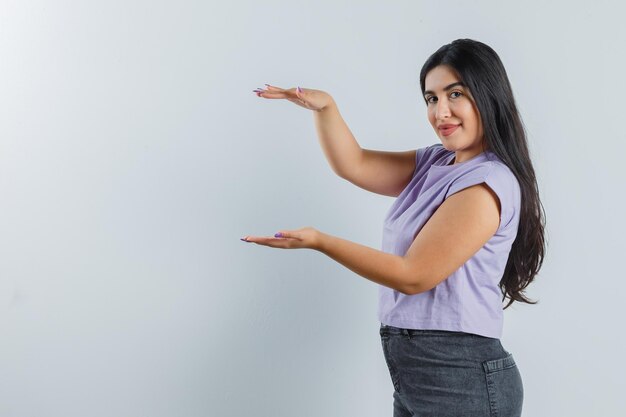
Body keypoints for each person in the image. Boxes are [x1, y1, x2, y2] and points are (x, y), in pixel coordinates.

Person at [243, 38, 545, 417]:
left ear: (488, 96)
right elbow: (353, 164)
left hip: (461, 378)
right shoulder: (438, 162)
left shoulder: (486, 183)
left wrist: (321, 242)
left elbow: (414, 276)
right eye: (431, 98)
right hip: (419, 374)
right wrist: (325, 108)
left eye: (455, 94)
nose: (441, 112)